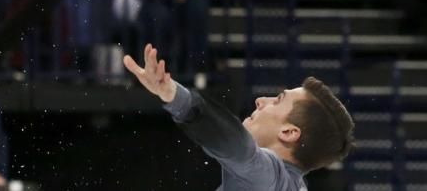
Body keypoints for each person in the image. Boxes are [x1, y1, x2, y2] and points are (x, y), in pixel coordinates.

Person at [123, 43, 354, 190]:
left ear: (289, 132)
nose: (261, 100)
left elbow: (239, 147)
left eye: (278, 100)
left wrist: (176, 97)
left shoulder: (266, 177)